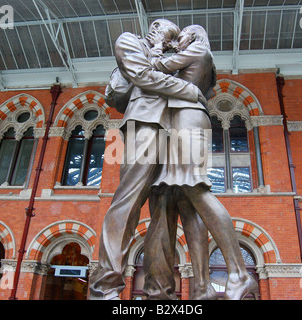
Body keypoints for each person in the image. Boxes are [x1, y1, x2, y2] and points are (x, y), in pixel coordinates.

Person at [89, 19, 211, 300]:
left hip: (176, 129)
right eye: (166, 37)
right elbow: (143, 76)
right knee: (127, 201)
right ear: (153, 29)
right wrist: (190, 92)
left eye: (171, 41)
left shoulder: (172, 58)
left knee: (166, 211)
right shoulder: (129, 41)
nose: (168, 44)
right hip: (143, 124)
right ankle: (104, 288)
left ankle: (160, 292)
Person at [143, 25, 259, 300]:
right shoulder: (202, 59)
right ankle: (203, 287)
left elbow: (155, 67)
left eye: (181, 35)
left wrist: (159, 45)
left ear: (193, 35)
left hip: (187, 119)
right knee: (187, 202)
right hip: (186, 119)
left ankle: (239, 273)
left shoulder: (197, 49)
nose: (177, 40)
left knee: (195, 188)